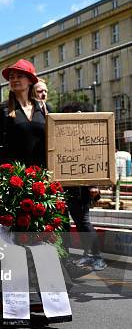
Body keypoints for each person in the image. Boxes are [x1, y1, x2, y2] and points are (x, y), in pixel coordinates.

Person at [0, 59, 49, 319]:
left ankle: (40, 296)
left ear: (31, 80)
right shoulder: (1, 111)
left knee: (39, 242)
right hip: (9, 183)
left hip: (40, 184)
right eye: (11, 76)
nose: (14, 79)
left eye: (20, 75)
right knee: (5, 244)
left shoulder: (44, 109)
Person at [60, 101, 106, 271]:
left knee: (83, 222)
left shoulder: (88, 135)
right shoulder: (63, 136)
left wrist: (93, 185)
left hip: (81, 187)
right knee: (71, 223)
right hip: (64, 186)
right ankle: (87, 255)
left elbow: (91, 158)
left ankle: (96, 256)